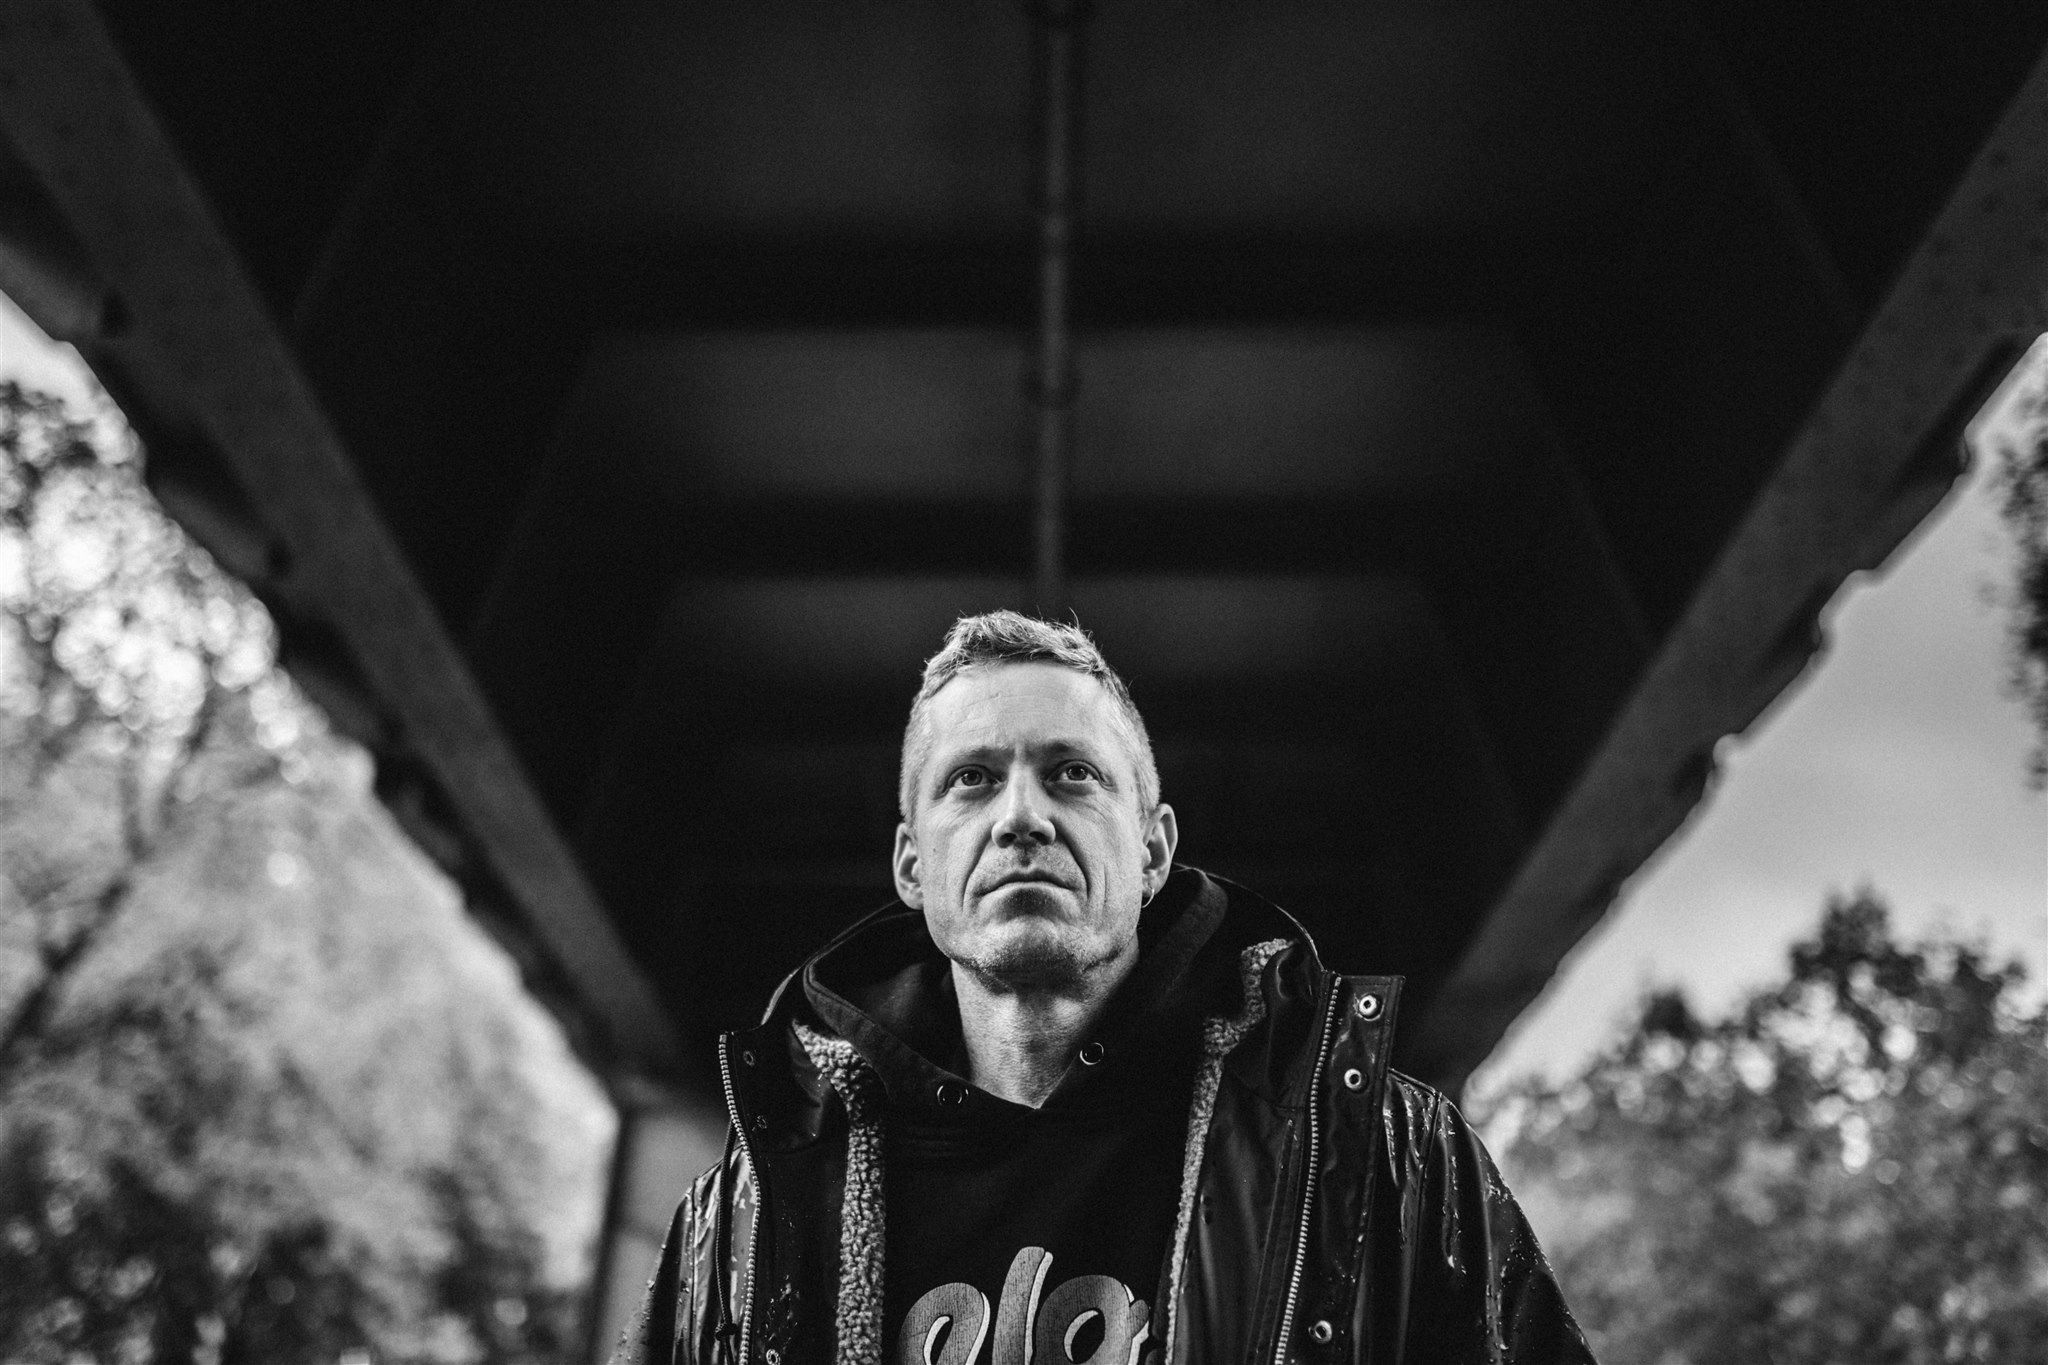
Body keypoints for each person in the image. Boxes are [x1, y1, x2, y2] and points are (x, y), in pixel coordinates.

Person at [614, 611, 1594, 1365]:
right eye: (971, 779)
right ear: (912, 865)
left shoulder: (1382, 1153)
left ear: (1154, 850)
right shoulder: (743, 1216)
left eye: (1072, 773)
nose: (1021, 817)